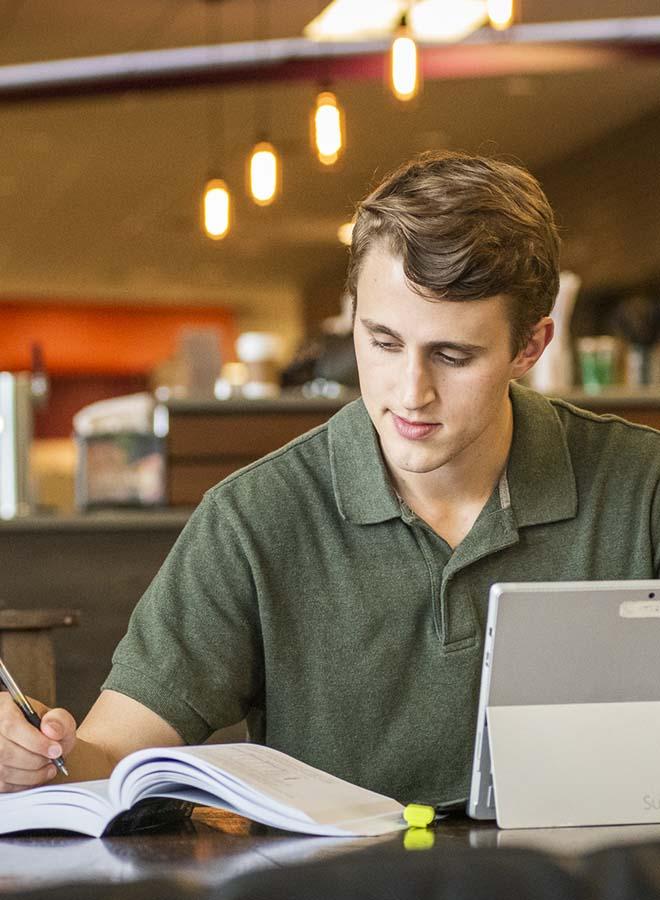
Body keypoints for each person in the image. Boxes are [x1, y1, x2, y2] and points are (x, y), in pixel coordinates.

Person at [1, 151, 659, 803]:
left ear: (531, 348)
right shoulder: (253, 517)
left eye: (452, 355)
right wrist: (39, 759)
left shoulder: (641, 488)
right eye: (382, 341)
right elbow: (111, 754)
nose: (411, 392)